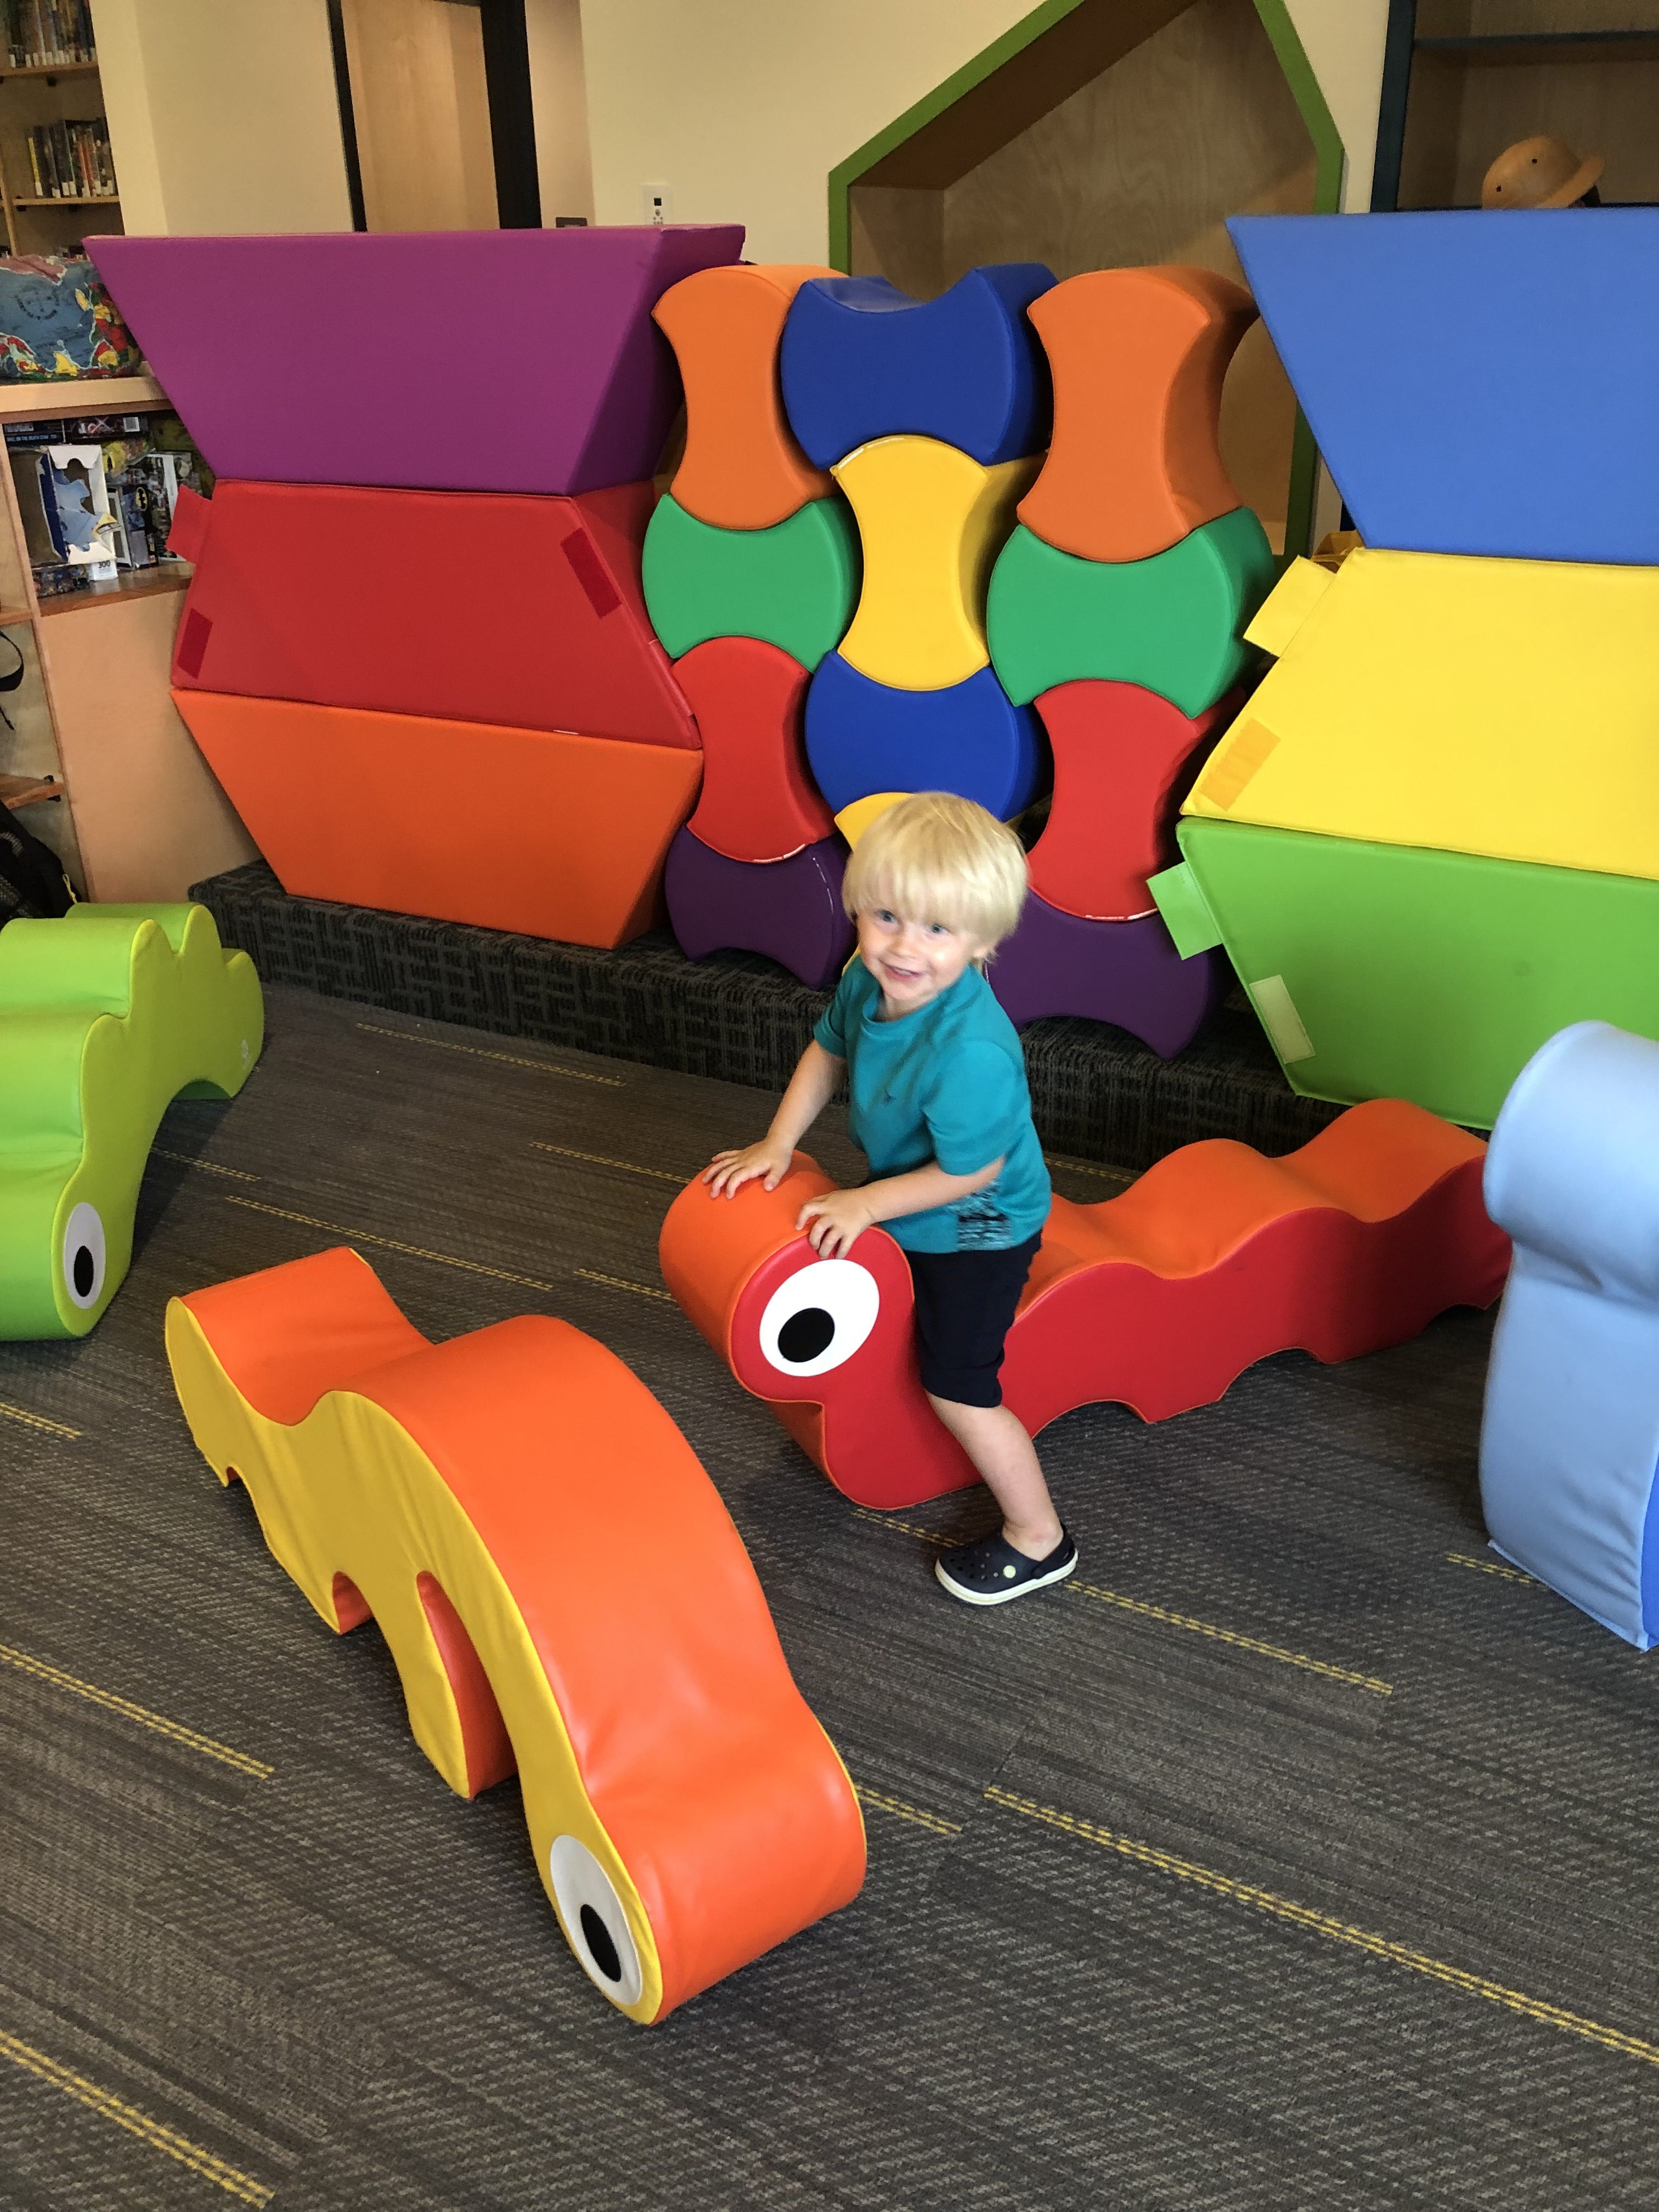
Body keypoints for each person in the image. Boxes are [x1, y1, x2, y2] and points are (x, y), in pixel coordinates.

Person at [703, 791, 1075, 1606]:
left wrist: (869, 1206)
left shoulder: (971, 1052)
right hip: (913, 1194)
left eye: (939, 929)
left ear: (981, 943)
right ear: (858, 909)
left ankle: (1040, 1537)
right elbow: (826, 1052)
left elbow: (970, 1174)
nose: (906, 946)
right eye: (887, 917)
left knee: (956, 1385)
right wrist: (778, 1143)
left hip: (979, 1224)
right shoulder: (865, 980)